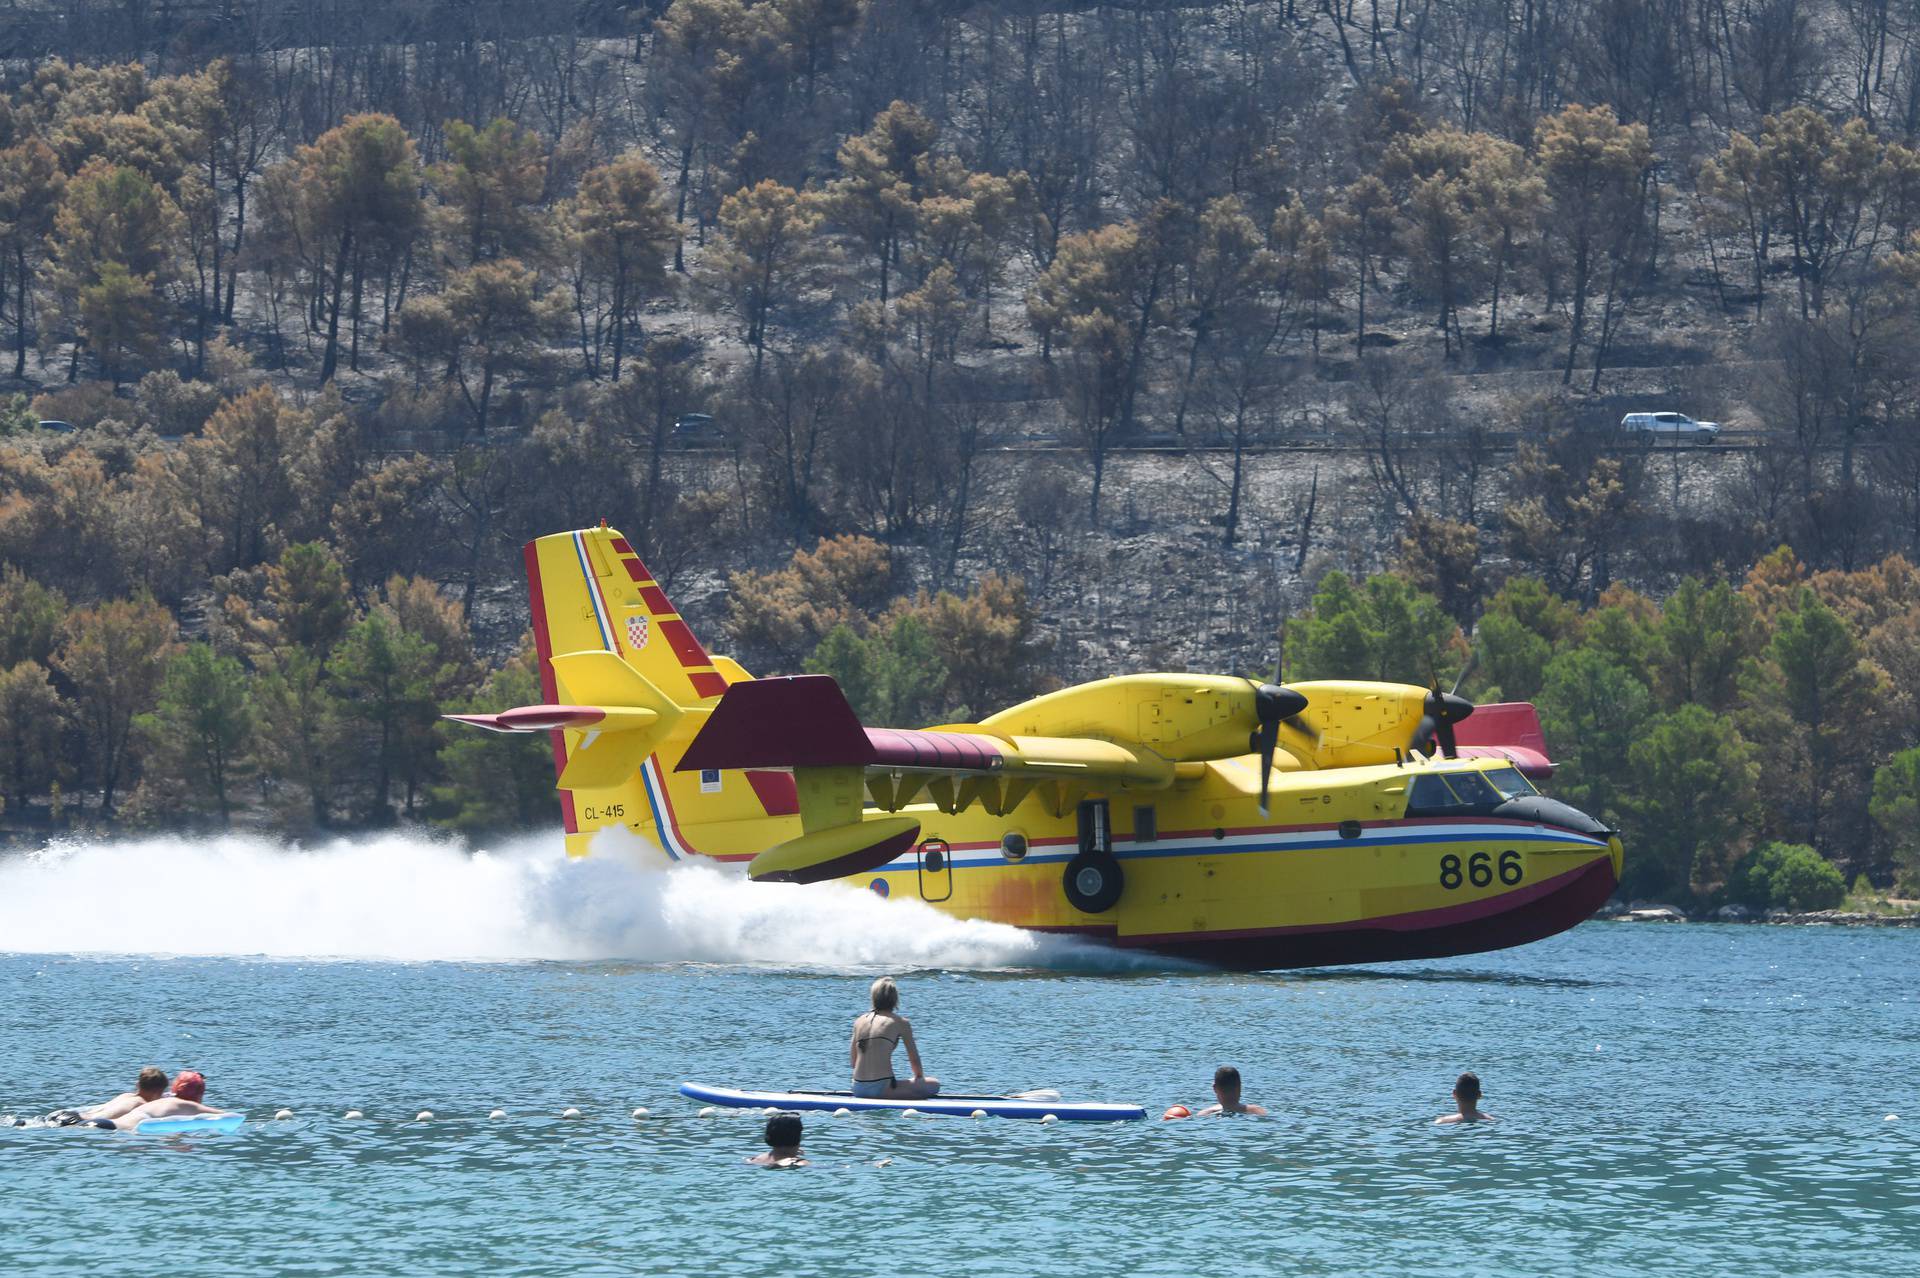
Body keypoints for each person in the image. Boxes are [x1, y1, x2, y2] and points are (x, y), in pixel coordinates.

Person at [850, 976, 939, 1100]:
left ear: (874, 998)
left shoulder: (859, 1021)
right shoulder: (901, 1023)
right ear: (895, 999)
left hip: (857, 1088)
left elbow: (853, 1062)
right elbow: (914, 1060)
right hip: (882, 1088)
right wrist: (919, 1081)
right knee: (934, 1084)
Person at [114, 1071, 228, 1131]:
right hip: (116, 1130)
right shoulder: (189, 1106)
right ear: (199, 1094)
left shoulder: (164, 1099)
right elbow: (230, 1116)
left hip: (109, 1124)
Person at [83, 1067, 170, 1122]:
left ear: (138, 1085)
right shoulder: (142, 1105)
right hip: (87, 1122)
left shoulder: (126, 1095)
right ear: (157, 1092)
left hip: (80, 1115)